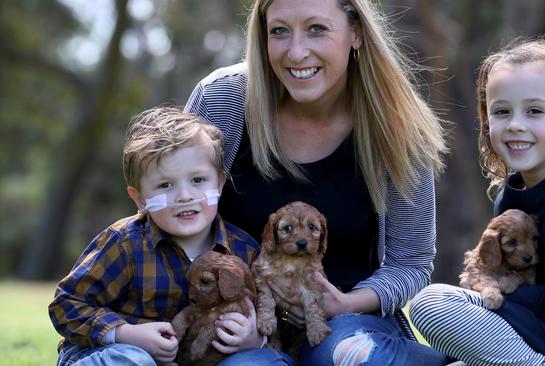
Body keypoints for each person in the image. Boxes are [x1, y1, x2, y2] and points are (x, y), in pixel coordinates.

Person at [184, 0, 450, 364]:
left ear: (356, 32)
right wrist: (230, 312)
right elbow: (172, 208)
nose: (296, 52)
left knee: (348, 355)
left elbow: (411, 262)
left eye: (317, 29)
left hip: (344, 324)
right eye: (279, 31)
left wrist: (344, 304)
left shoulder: (398, 126)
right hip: (237, 321)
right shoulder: (223, 100)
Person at [410, 39, 545, 365]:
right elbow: (497, 271)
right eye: (502, 111)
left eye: (534, 110)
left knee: (432, 303)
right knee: (437, 307)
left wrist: (498, 293)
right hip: (530, 332)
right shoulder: (509, 195)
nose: (515, 124)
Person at [48, 107, 264, 366]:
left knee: (258, 361)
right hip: (111, 351)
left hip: (199, 358)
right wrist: (125, 333)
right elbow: (66, 305)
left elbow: (269, 311)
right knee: (136, 360)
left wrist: (254, 339)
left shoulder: (244, 249)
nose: (184, 196)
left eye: (198, 180)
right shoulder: (125, 243)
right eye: (165, 185)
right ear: (139, 199)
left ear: (219, 184)